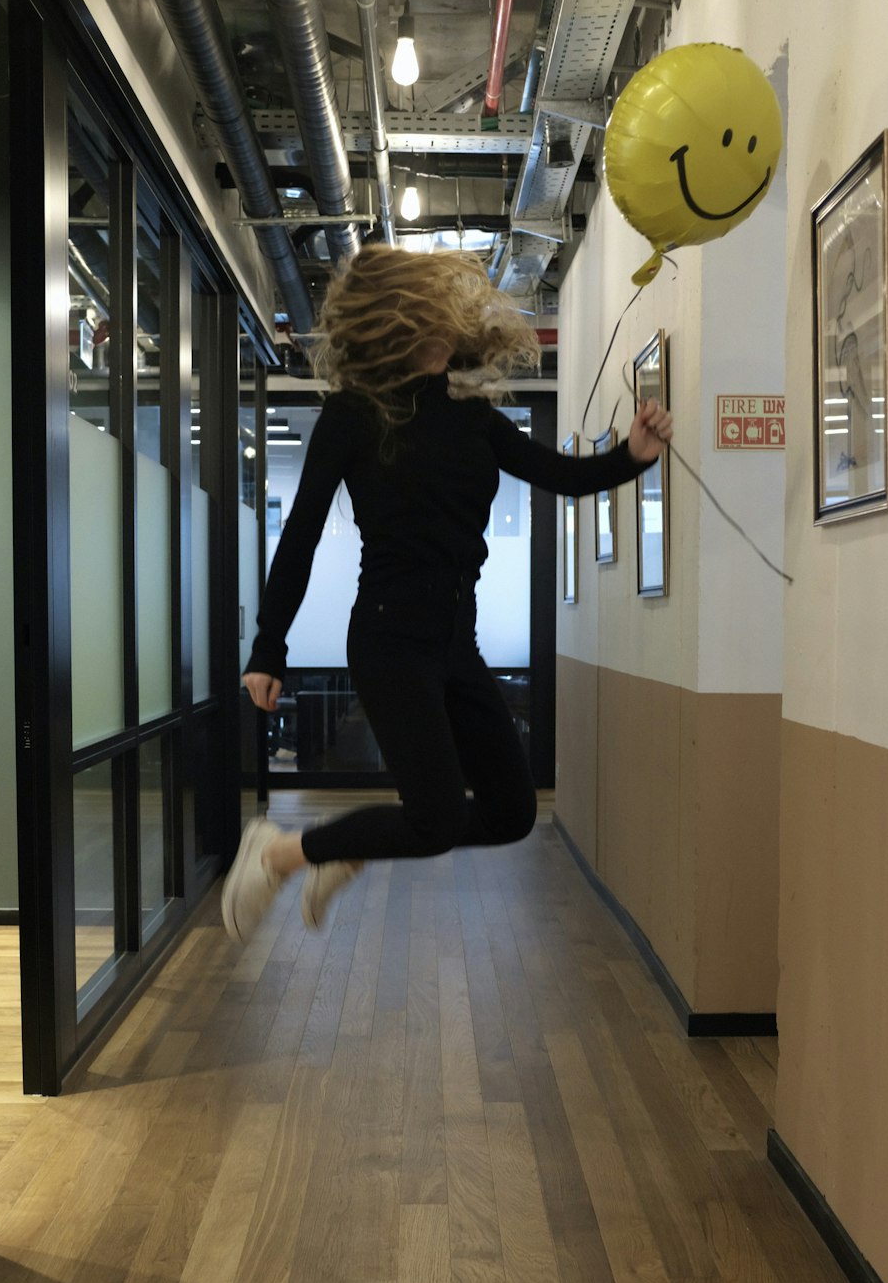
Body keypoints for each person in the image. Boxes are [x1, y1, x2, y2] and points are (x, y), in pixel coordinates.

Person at [221, 244, 673, 942]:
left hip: (454, 644)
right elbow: (301, 535)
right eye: (440, 304)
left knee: (511, 812)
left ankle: (348, 845)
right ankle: (281, 853)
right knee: (431, 818)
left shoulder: (472, 416)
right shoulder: (354, 415)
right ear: (401, 318)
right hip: (388, 638)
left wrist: (631, 458)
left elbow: (558, 476)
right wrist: (269, 649)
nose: (457, 316)